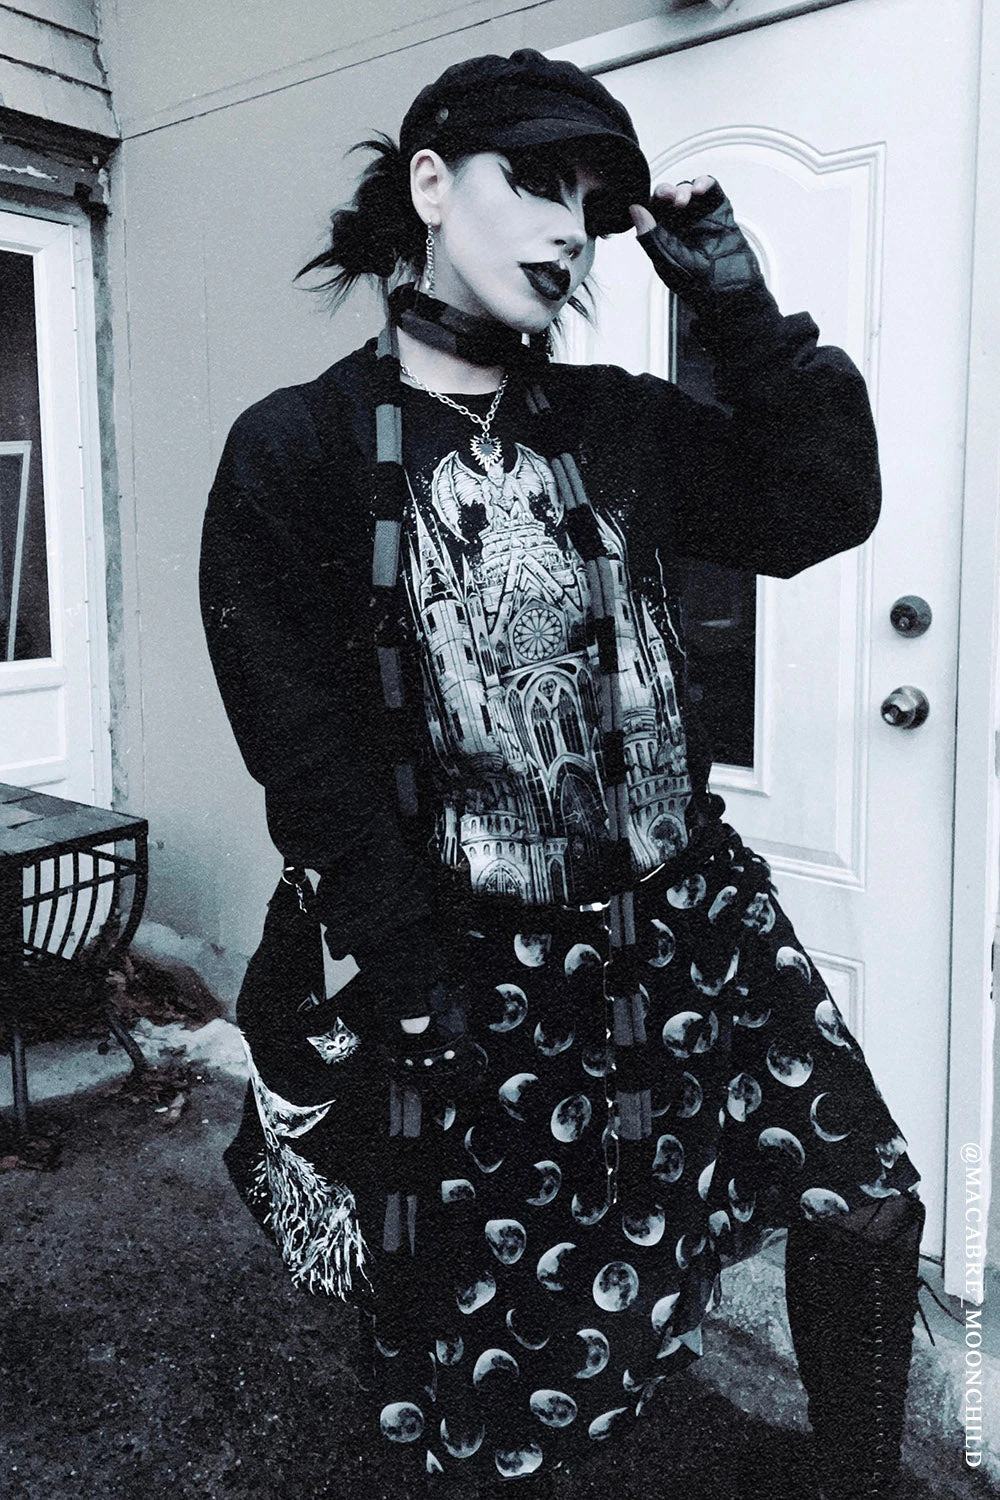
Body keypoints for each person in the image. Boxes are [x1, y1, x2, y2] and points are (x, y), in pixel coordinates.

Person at [200, 49, 925, 1500]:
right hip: (467, 956)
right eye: (536, 182)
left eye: (591, 209)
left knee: (864, 1202)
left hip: (687, 921)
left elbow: (823, 501)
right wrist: (407, 978)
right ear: (429, 185)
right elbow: (304, 749)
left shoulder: (618, 423)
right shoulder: (298, 450)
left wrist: (734, 300)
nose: (568, 232)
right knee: (519, 1356)